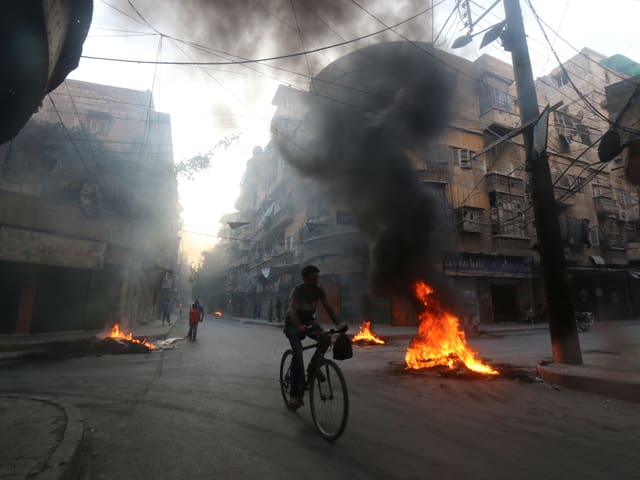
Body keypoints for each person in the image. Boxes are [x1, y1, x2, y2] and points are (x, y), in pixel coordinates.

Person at [284, 265, 347, 410]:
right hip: (293, 325)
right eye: (313, 278)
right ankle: (294, 395)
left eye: (317, 277)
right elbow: (292, 311)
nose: (316, 280)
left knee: (325, 339)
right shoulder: (298, 290)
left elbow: (328, 308)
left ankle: (312, 367)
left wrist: (339, 324)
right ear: (305, 279)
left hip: (309, 323)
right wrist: (299, 326)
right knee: (298, 356)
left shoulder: (318, 290)